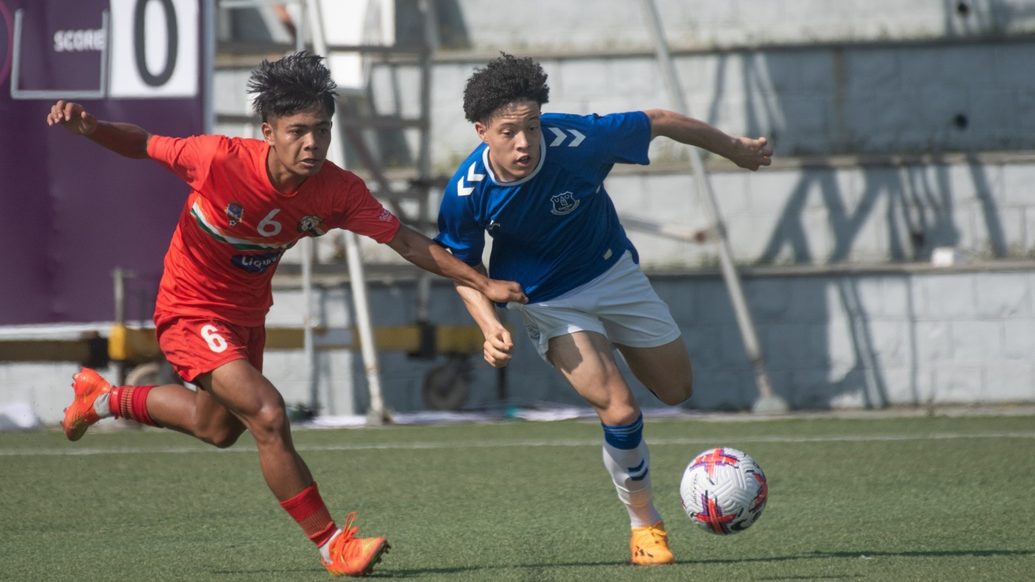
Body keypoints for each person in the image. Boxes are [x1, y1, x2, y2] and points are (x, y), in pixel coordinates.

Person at [47, 50, 526, 577]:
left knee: (217, 428)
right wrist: (92, 128)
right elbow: (143, 143)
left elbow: (408, 243)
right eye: (298, 130)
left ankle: (105, 397)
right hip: (189, 309)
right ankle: (333, 546)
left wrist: (481, 282)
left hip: (246, 317)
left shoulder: (338, 190)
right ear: (267, 130)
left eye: (322, 129)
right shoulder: (218, 159)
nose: (313, 143)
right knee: (269, 415)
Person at [434, 53, 772, 566]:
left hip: (614, 275)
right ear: (482, 131)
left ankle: (614, 349)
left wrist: (736, 149)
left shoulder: (578, 140)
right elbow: (459, 267)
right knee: (620, 408)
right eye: (508, 132)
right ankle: (645, 526)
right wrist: (488, 325)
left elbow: (660, 121)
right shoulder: (465, 192)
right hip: (547, 299)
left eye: (531, 126)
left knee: (677, 390)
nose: (524, 142)